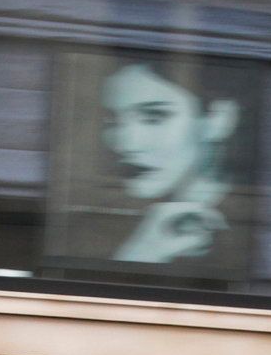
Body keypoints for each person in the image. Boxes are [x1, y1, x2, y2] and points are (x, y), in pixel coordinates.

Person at [98, 58, 243, 266]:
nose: (124, 143)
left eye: (154, 117)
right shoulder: (103, 227)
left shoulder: (250, 232)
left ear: (218, 120)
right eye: (110, 121)